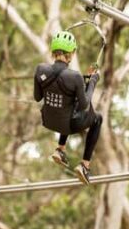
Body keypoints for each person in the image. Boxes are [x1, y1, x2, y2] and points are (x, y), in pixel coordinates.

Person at [34, 30, 103, 185]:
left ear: (53, 52)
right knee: (98, 118)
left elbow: (38, 97)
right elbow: (85, 105)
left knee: (69, 104)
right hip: (68, 125)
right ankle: (84, 165)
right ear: (71, 54)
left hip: (49, 121)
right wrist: (93, 81)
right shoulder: (75, 76)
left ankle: (60, 149)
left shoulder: (40, 69)